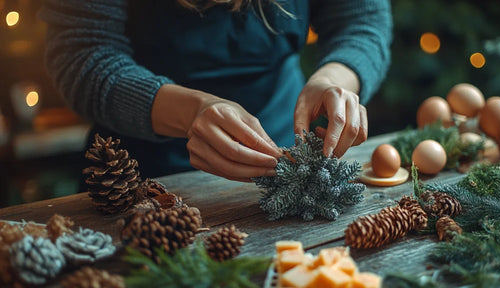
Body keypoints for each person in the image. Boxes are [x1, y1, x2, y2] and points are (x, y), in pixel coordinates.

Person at [40, 0, 392, 182]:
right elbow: (82, 54)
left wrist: (334, 79)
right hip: (139, 175)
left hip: (286, 147)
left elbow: (361, 20)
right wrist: (190, 113)